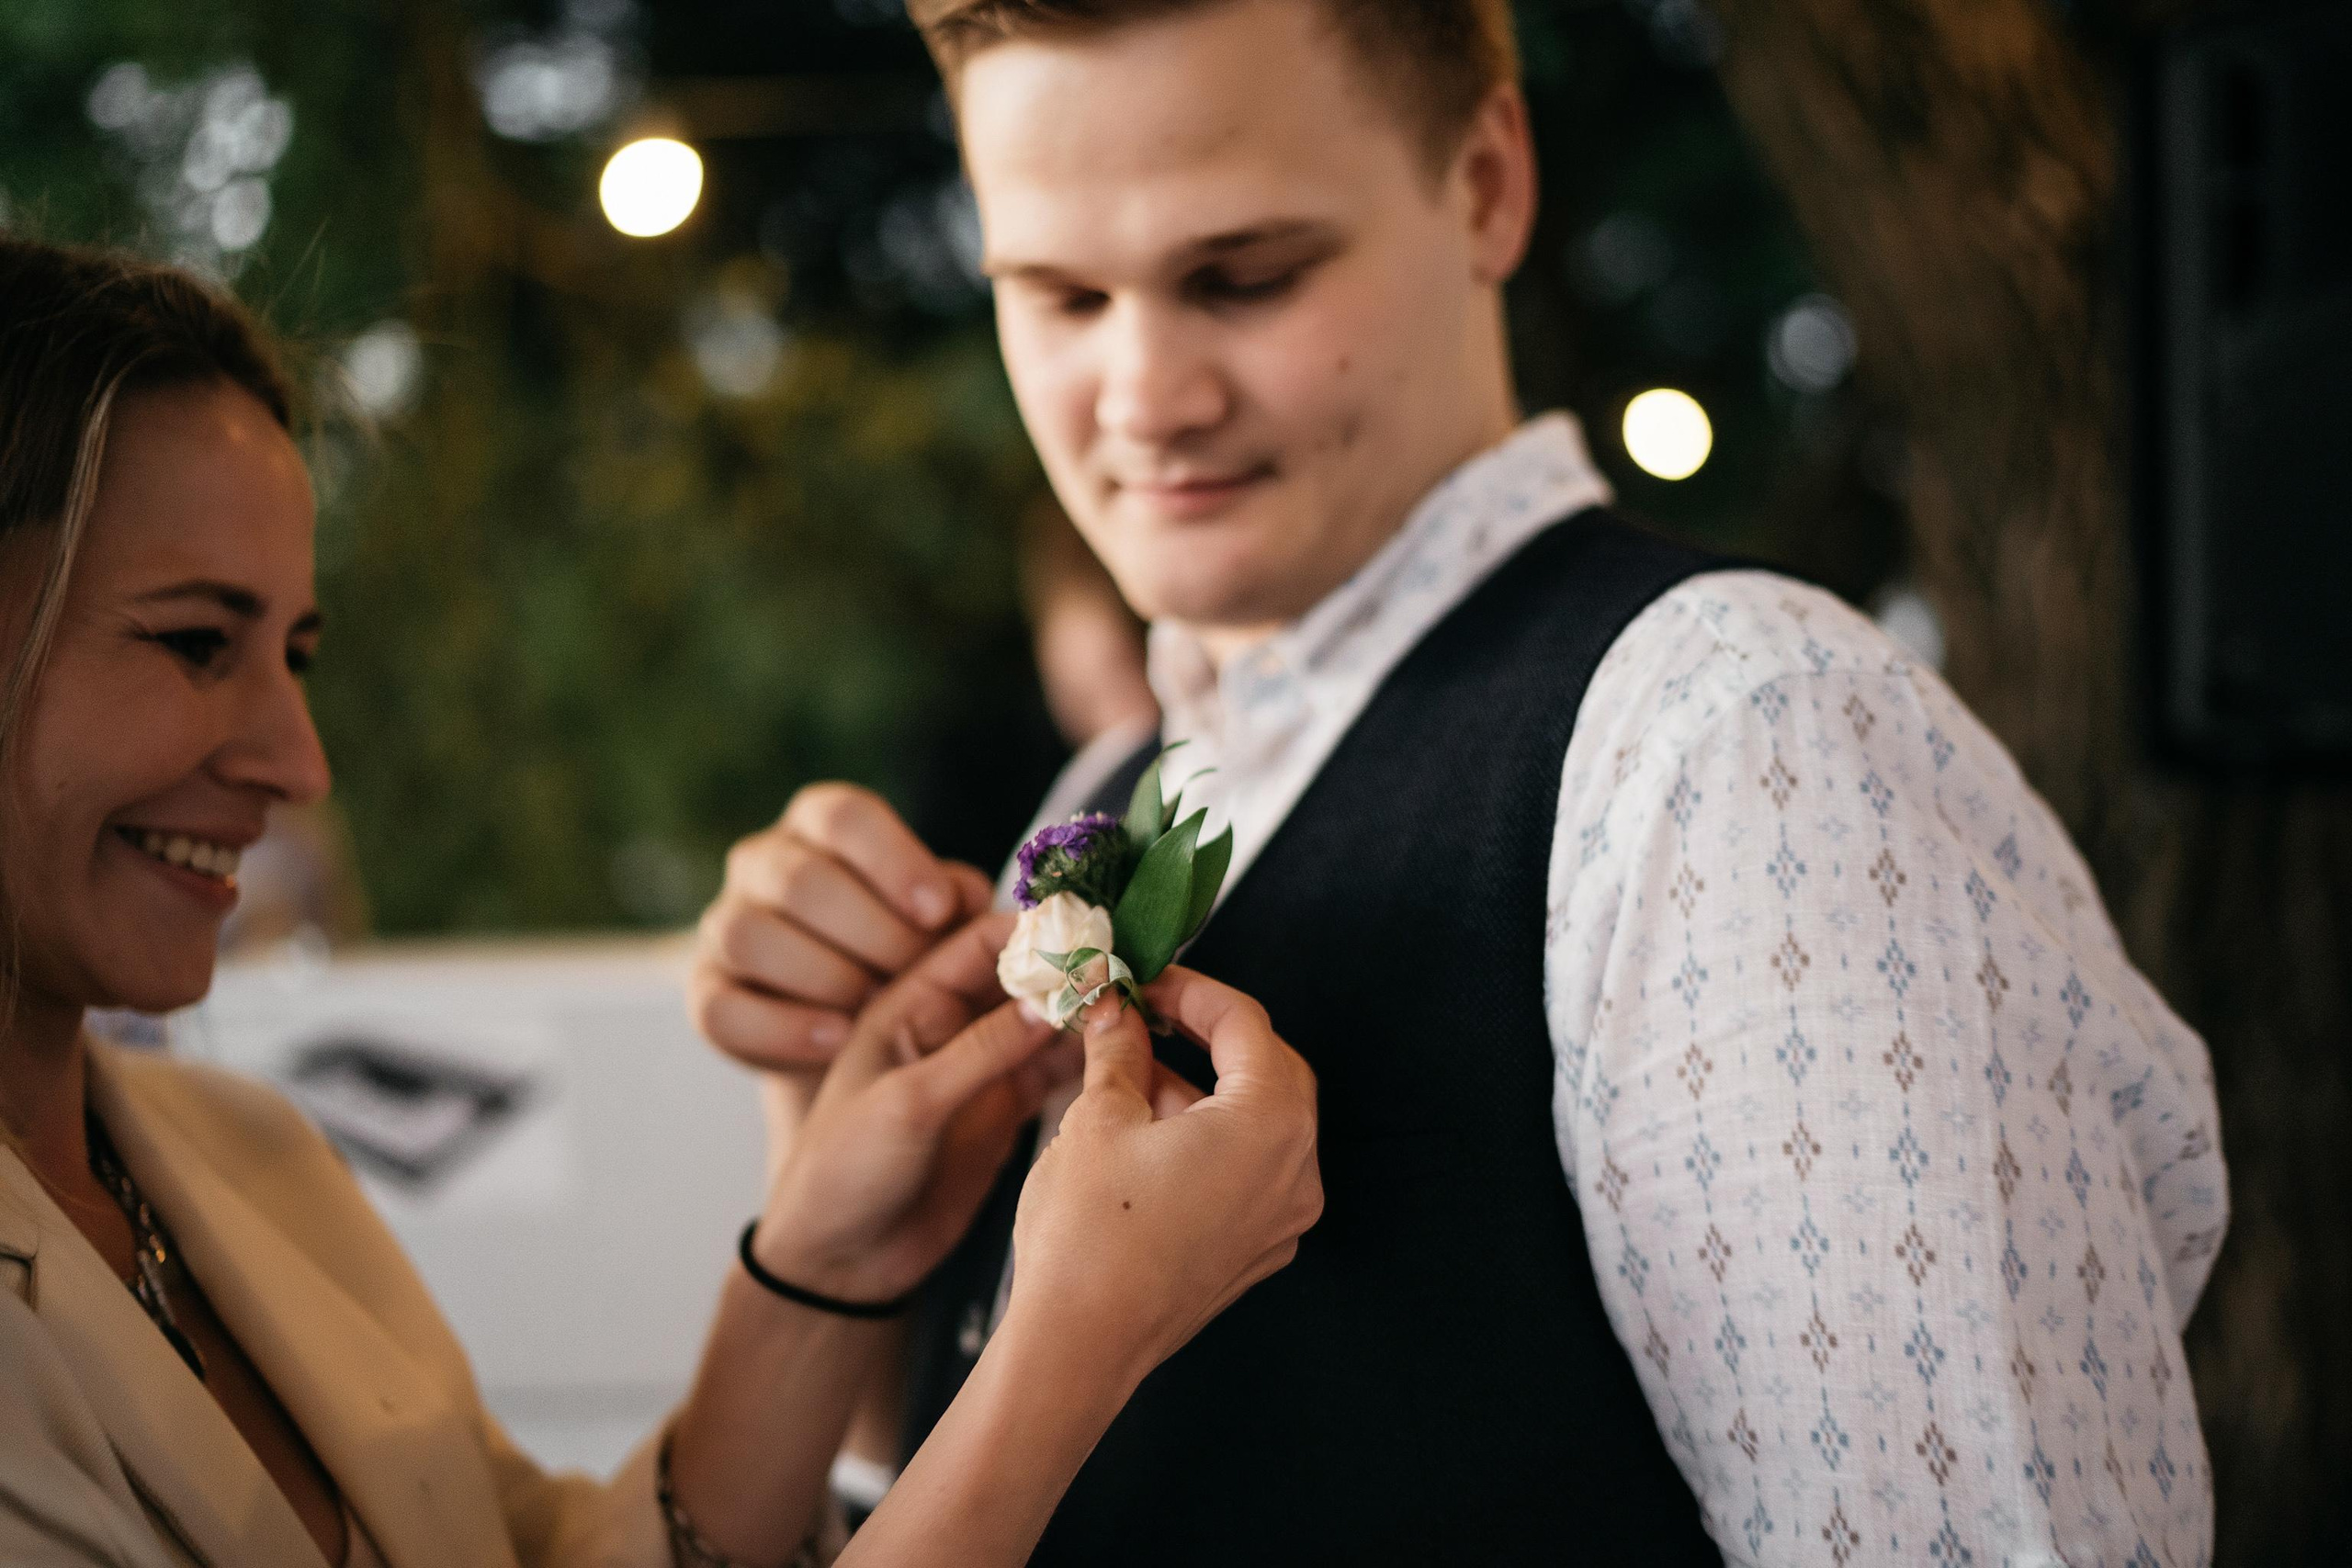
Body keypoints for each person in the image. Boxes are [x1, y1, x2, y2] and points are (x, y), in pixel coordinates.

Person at [689, 0, 2229, 1562]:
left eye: (1244, 277)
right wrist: (824, 1140)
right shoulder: (1106, 787)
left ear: (1488, 179)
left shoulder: (1737, 745)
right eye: (1061, 294)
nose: (1144, 395)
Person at [0, 234, 1322, 1568]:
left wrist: (819, 1266)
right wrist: (1069, 1347)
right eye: (193, 644)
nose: (298, 762)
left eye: (294, 655)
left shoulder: (247, 1159)